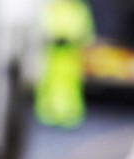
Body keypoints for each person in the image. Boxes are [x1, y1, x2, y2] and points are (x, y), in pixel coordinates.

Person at [36, 0, 95, 128]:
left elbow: (84, 31)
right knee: (49, 84)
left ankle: (69, 115)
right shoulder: (54, 6)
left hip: (70, 54)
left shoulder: (78, 8)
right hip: (54, 53)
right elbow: (44, 26)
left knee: (70, 87)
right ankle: (49, 113)